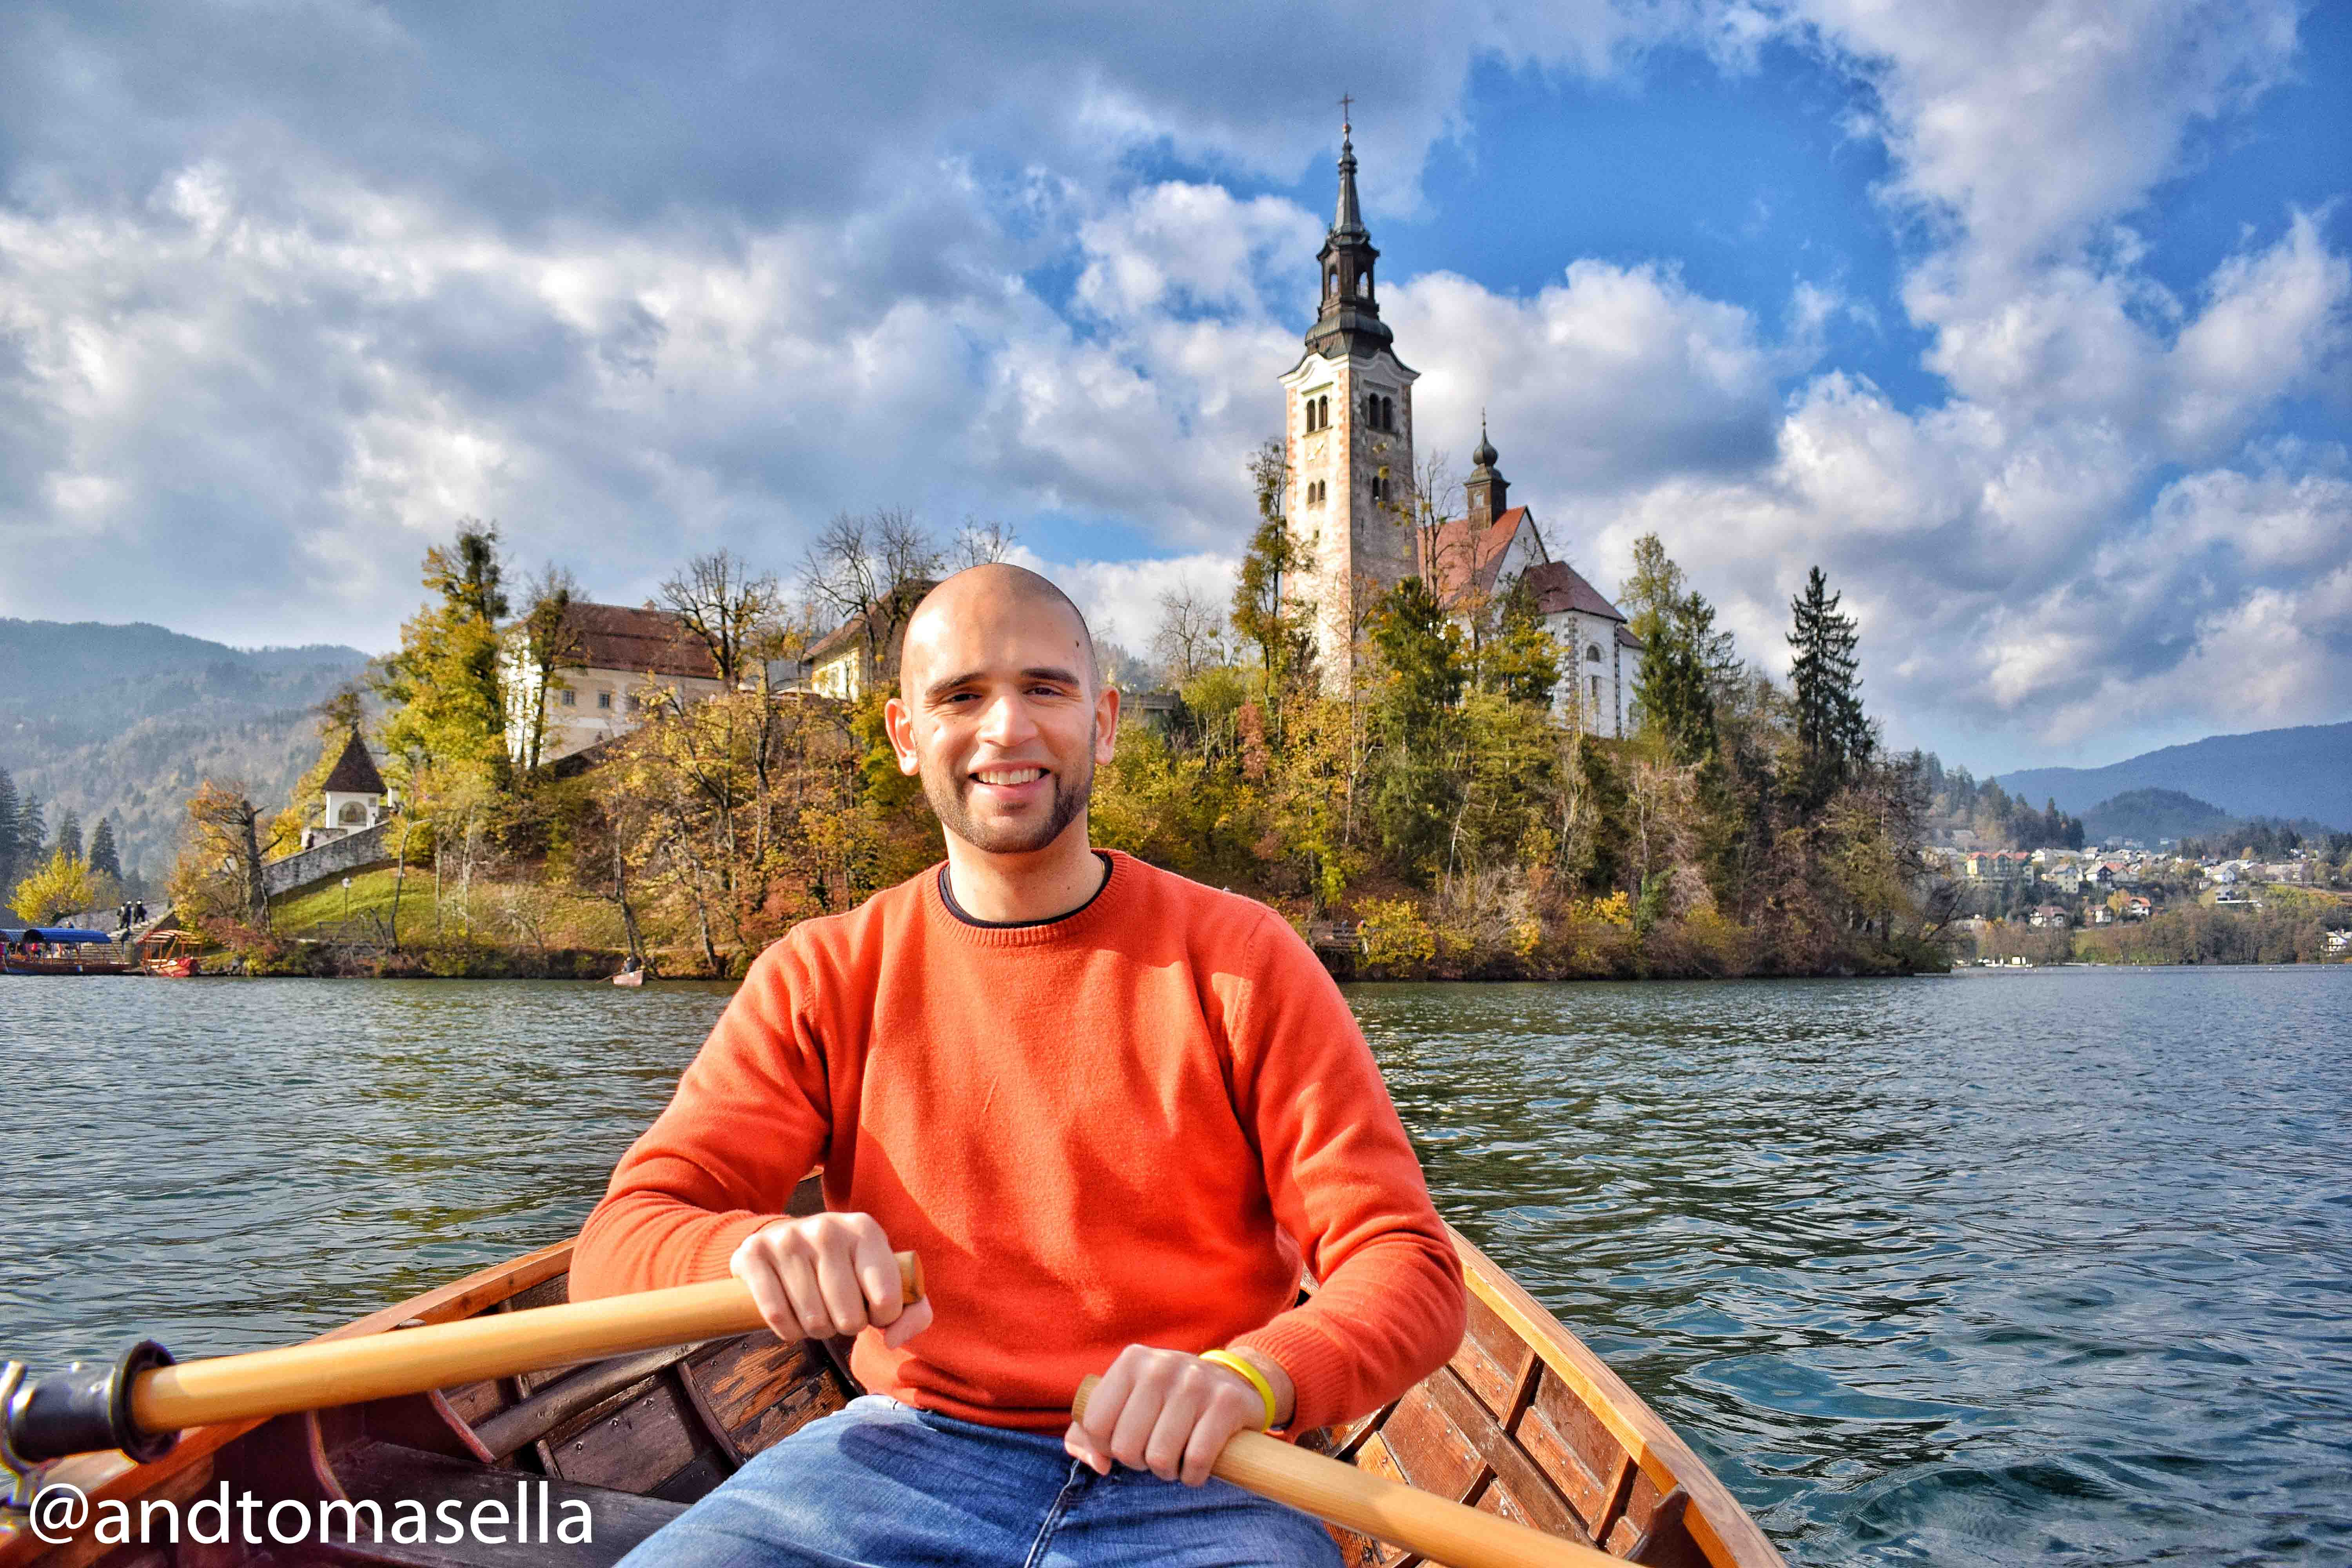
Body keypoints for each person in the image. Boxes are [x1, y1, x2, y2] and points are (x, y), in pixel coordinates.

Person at [572, 563, 1465, 1566]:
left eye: (1046, 687)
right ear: (907, 735)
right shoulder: (824, 973)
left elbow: (1410, 1265)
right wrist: (744, 1255)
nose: (1006, 728)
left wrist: (1253, 1376)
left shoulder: (1246, 961)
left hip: (1211, 1478)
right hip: (891, 1459)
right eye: (961, 695)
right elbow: (618, 1242)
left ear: (1106, 722)